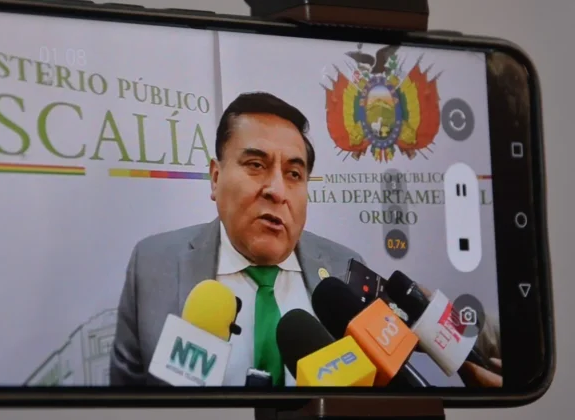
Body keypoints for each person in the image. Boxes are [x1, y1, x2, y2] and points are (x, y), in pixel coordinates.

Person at [108, 92, 502, 388]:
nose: (277, 190)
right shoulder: (153, 264)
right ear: (215, 177)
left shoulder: (345, 270)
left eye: (294, 174)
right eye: (256, 165)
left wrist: (462, 344)